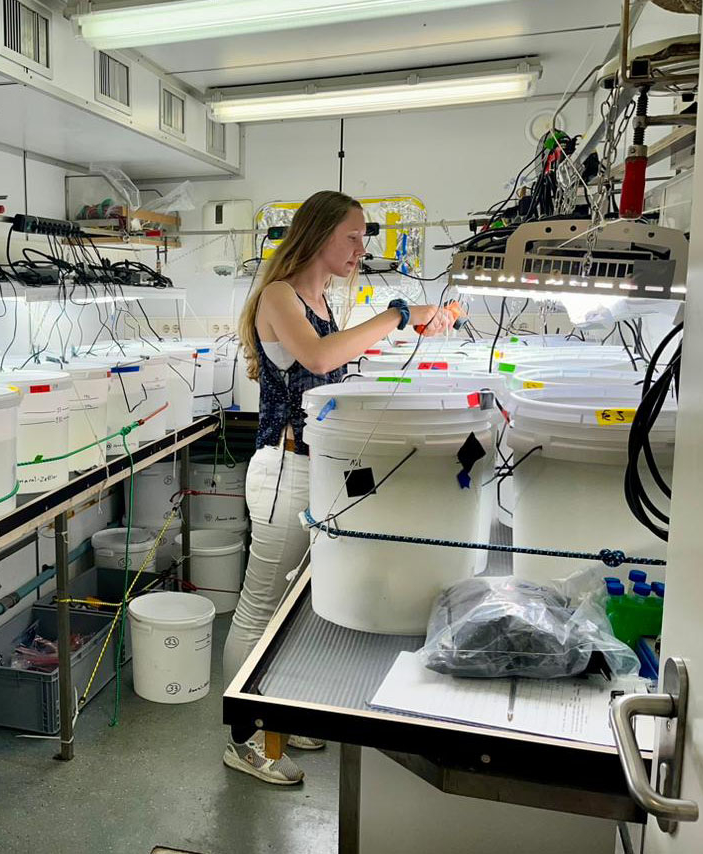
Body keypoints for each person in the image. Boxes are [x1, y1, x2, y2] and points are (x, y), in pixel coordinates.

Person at [221, 191, 449, 785]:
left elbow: (334, 367)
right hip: (284, 469)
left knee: (288, 608)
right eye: (352, 236)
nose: (360, 248)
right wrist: (398, 315)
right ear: (318, 234)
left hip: (315, 469)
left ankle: (274, 715)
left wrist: (404, 335)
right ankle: (243, 739)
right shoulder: (279, 295)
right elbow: (320, 360)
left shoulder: (322, 301)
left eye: (363, 237)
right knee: (260, 606)